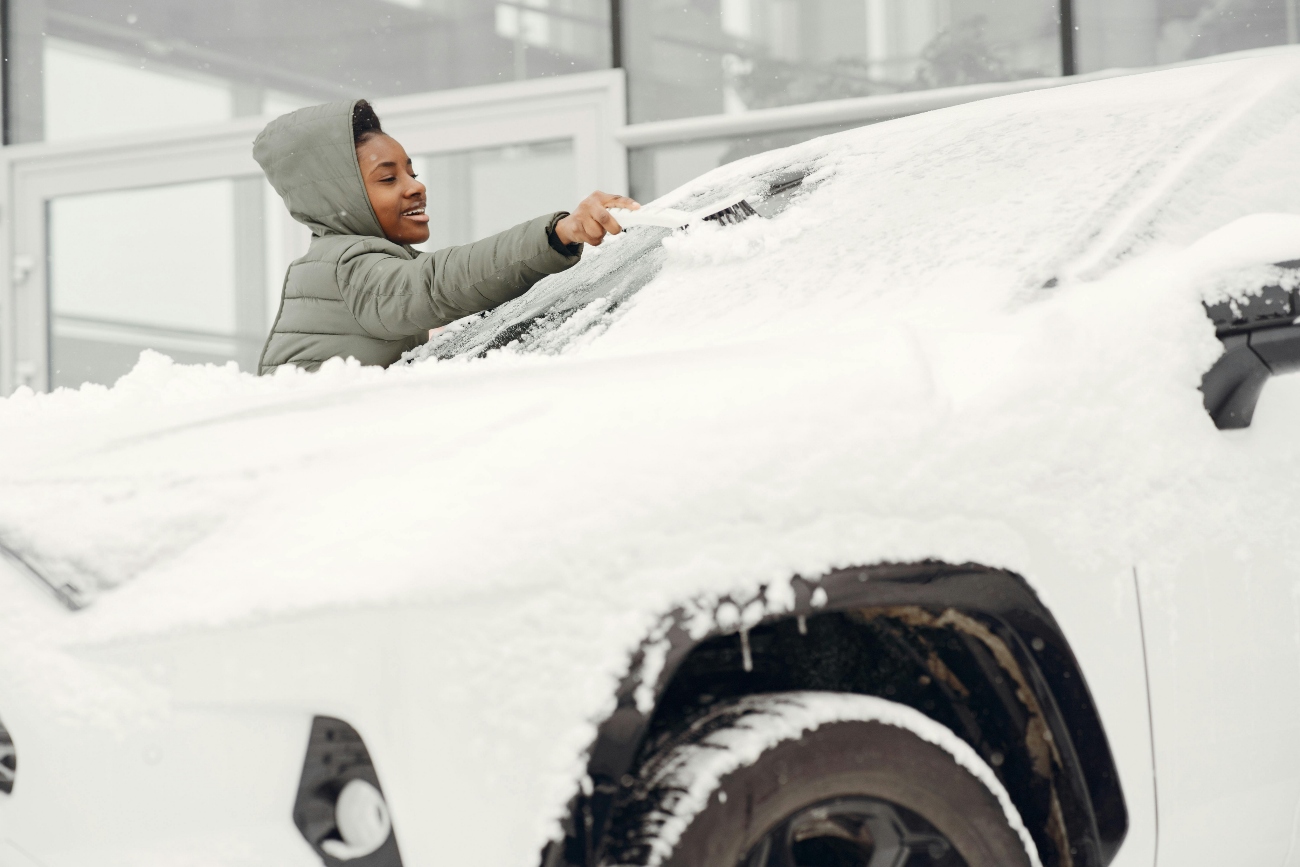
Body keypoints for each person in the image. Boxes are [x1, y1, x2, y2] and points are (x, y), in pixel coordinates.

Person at [252, 99, 638, 373]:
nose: (415, 188)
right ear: (338, 197)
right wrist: (557, 233)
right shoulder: (346, 267)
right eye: (388, 178)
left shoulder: (364, 264)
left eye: (412, 173)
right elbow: (439, 284)